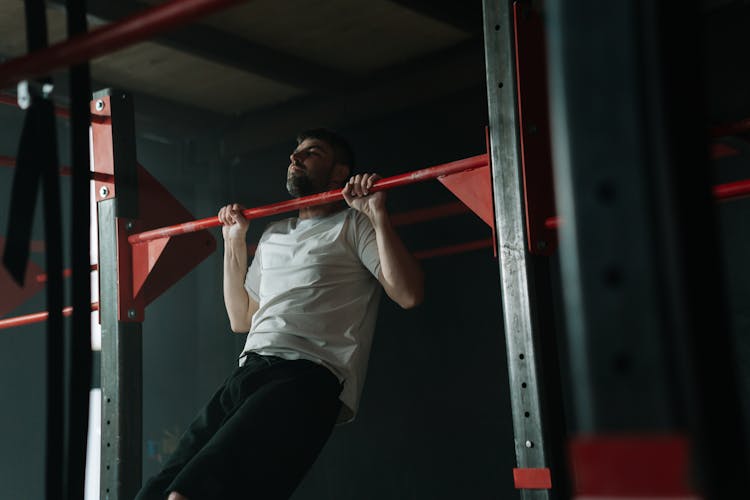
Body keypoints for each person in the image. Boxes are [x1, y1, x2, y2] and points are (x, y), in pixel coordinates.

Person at [135, 129, 424, 500]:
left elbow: (409, 294)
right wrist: (234, 241)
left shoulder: (354, 226)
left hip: (306, 377)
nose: (295, 159)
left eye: (311, 153)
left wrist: (378, 214)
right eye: (294, 153)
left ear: (339, 173)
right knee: (157, 491)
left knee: (191, 494)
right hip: (250, 371)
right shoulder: (274, 233)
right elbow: (241, 319)